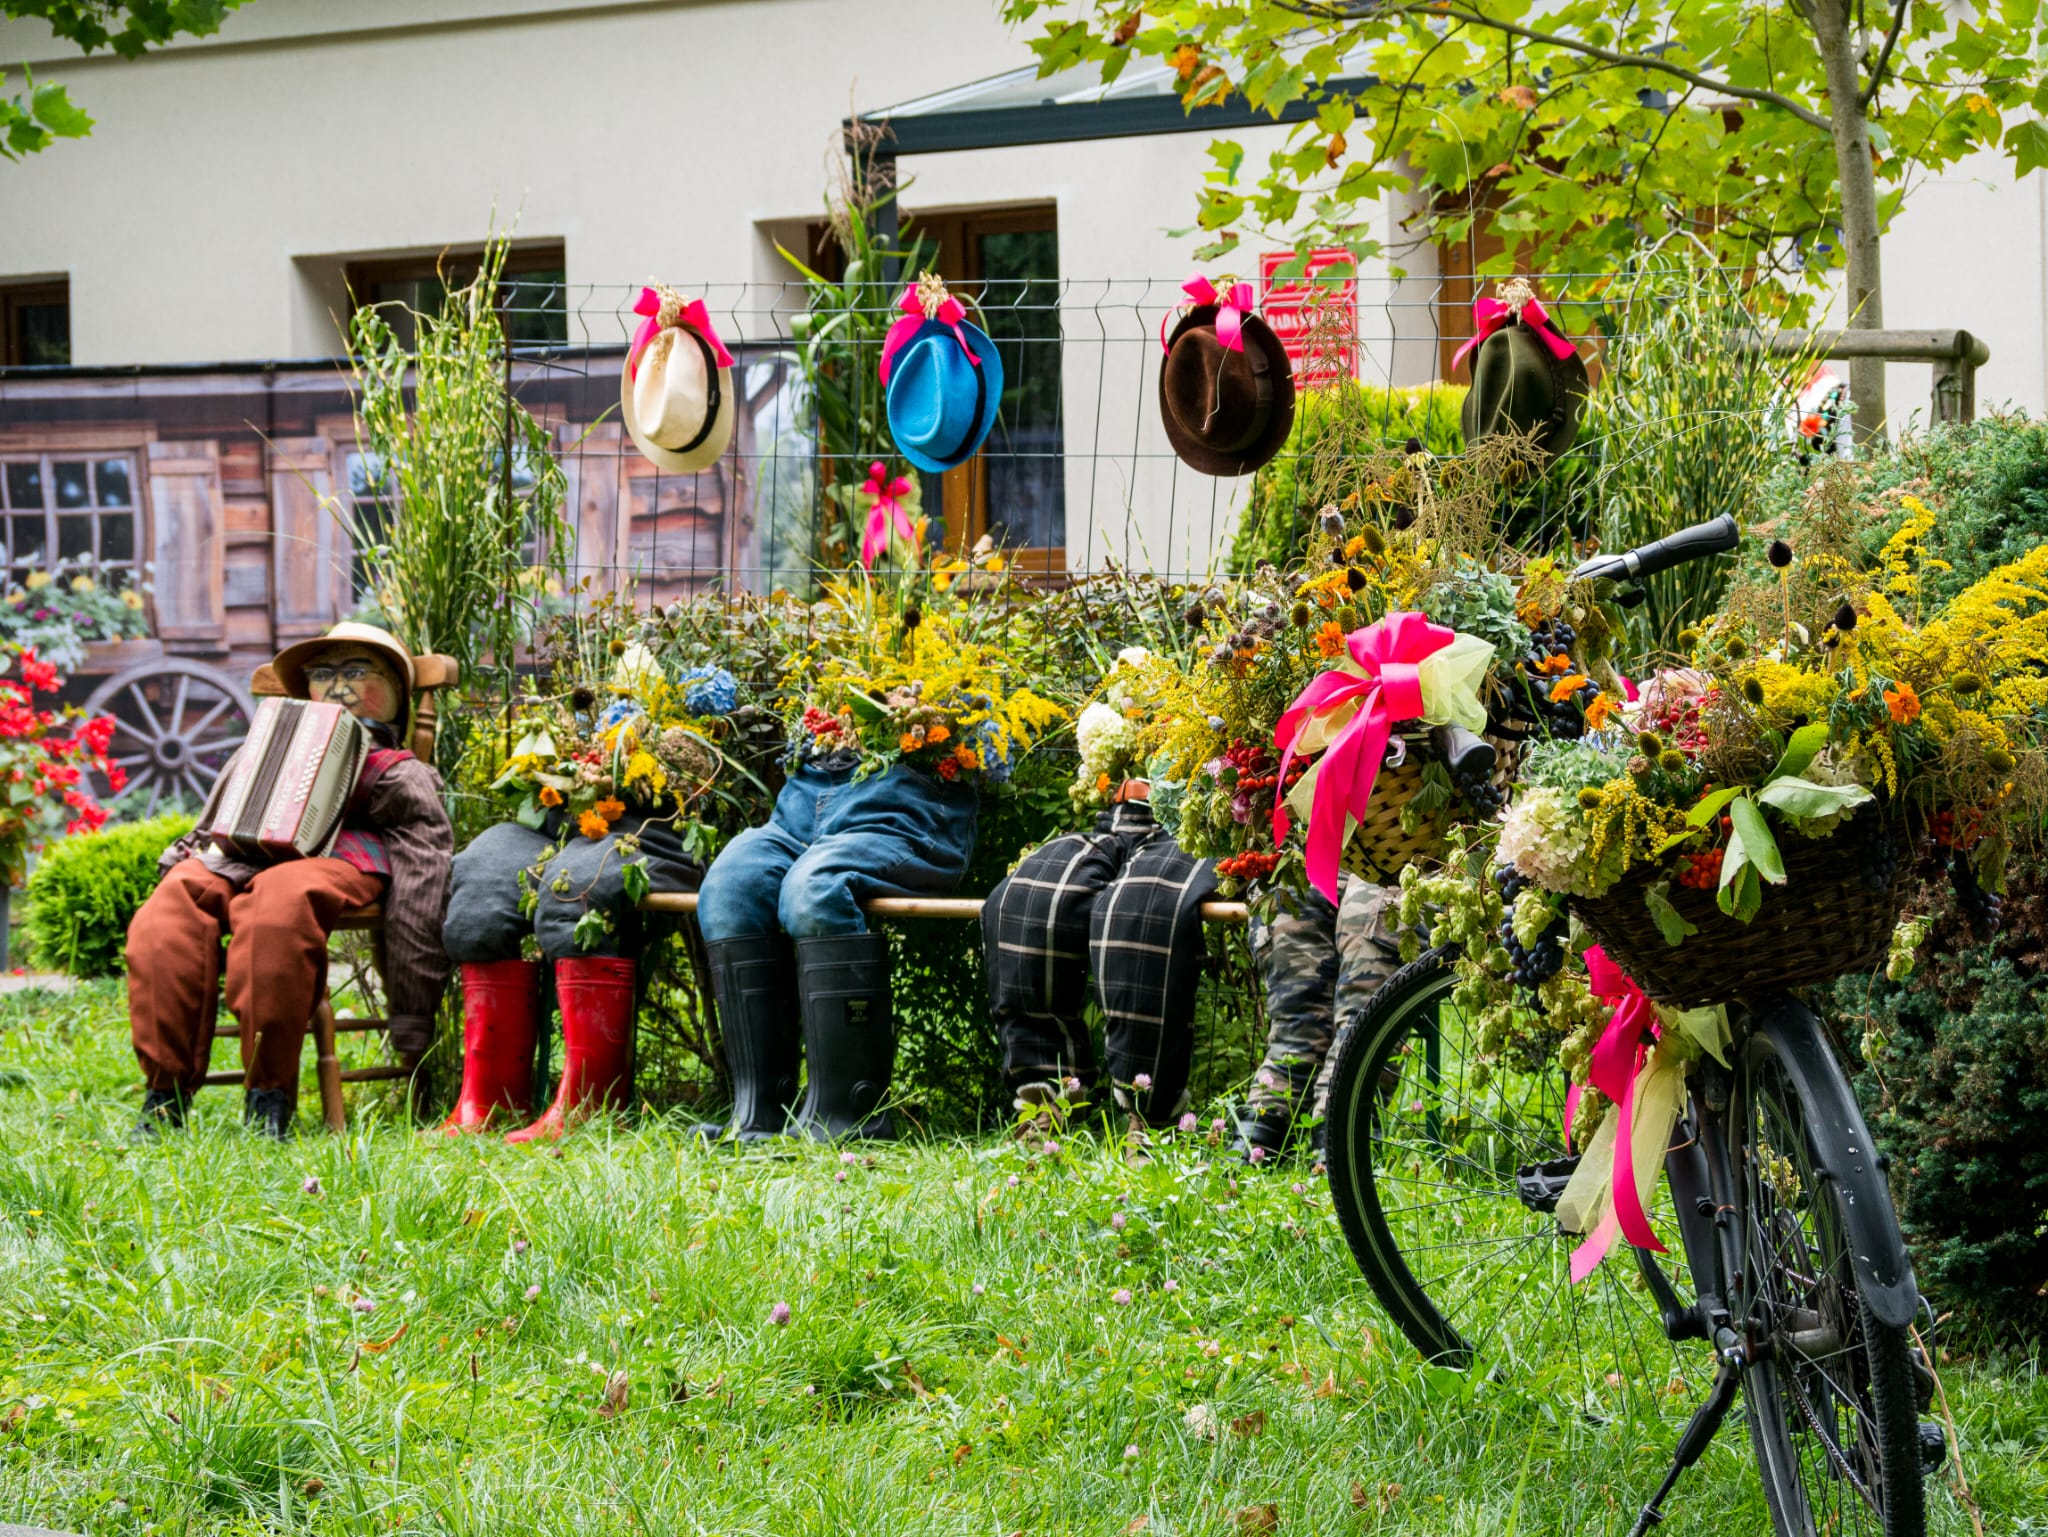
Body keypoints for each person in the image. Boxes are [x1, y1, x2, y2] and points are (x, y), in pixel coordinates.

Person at [126, 623, 453, 1139]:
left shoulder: (396, 772)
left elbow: (424, 875)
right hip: (241, 854)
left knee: (279, 906)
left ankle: (268, 1097)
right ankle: (165, 1093)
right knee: (170, 908)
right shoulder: (261, 751)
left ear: (396, 690)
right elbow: (214, 821)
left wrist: (413, 1016)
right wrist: (189, 857)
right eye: (322, 674)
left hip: (342, 857)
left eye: (356, 671)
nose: (337, 686)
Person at [983, 778, 1217, 1148]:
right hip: (1117, 818)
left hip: (1195, 817)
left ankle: (1150, 1116)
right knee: (1025, 899)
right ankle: (1044, 1101)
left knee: (1142, 910)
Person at [1238, 875, 1402, 1162]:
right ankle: (1267, 1122)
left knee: (1363, 1007)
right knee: (1287, 896)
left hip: (1407, 858)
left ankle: (1340, 1126)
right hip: (1332, 854)